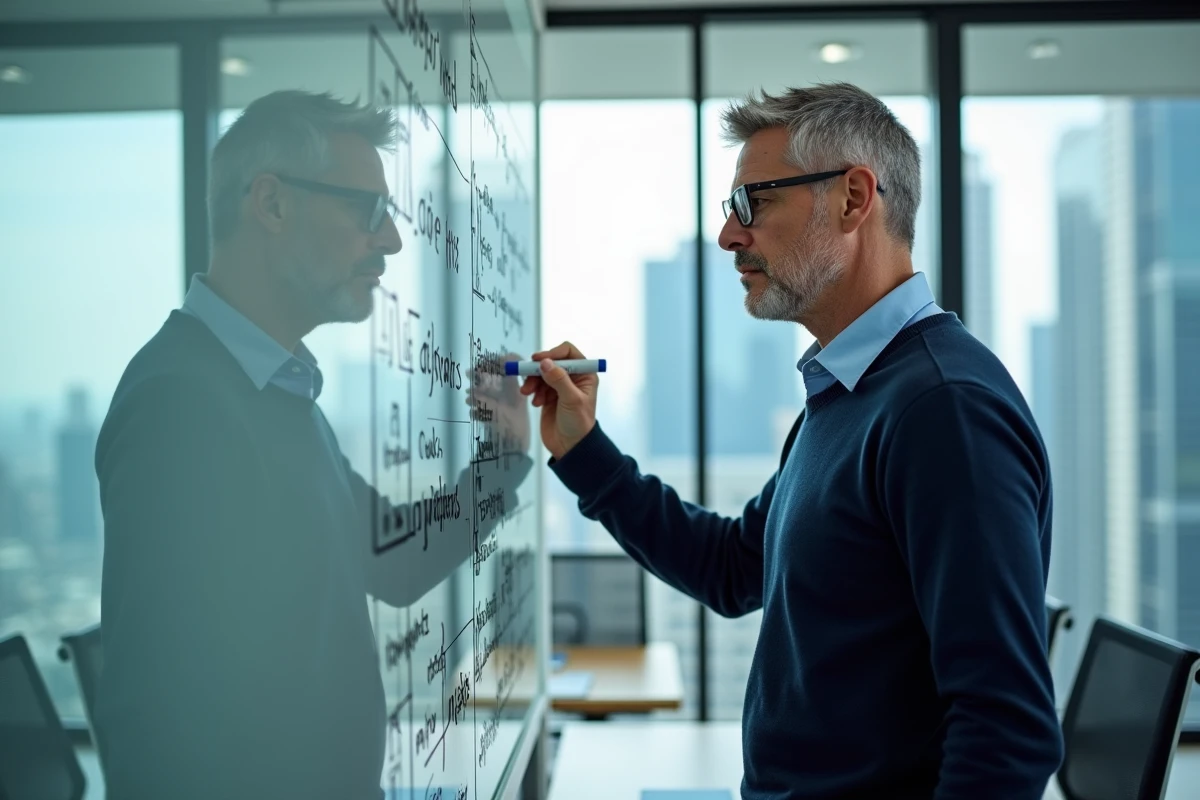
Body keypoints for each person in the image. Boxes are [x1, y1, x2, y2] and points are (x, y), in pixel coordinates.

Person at [522, 82, 1063, 800]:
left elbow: (1007, 730)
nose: (728, 235)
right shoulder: (846, 395)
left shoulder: (942, 410)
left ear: (852, 199)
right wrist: (583, 449)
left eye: (755, 202)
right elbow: (732, 568)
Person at [94, 90, 531, 800]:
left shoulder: (269, 390)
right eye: (368, 211)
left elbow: (389, 557)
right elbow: (162, 722)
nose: (391, 240)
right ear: (270, 204)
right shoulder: (184, 404)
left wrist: (501, 458)